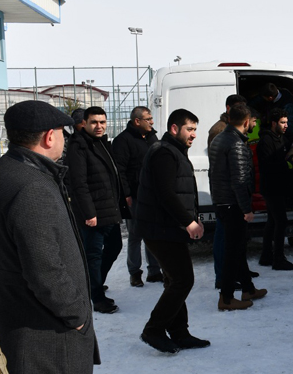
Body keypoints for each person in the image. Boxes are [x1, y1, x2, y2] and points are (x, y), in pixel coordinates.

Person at [0, 100, 100, 374]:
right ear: (49, 137)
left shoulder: (4, 171)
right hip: (43, 335)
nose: (65, 140)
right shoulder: (32, 186)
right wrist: (77, 315)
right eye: (63, 134)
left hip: (19, 319)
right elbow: (45, 271)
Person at [136, 109, 211, 353]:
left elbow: (181, 192)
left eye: (195, 130)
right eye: (189, 129)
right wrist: (188, 222)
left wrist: (192, 218)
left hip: (167, 227)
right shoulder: (164, 153)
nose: (194, 135)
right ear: (174, 129)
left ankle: (179, 332)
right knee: (182, 279)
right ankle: (153, 329)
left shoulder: (174, 152)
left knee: (175, 280)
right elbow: (165, 193)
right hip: (160, 228)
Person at [65, 106, 124, 314]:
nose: (99, 126)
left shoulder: (102, 143)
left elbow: (113, 175)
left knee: (115, 246)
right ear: (85, 124)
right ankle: (96, 297)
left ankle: (94, 283)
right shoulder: (78, 147)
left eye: (102, 122)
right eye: (94, 122)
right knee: (93, 254)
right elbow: (79, 184)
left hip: (110, 209)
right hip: (94, 214)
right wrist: (89, 213)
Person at [209, 103, 267, 310]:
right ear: (245, 121)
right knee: (232, 251)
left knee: (237, 247)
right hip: (233, 205)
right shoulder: (236, 144)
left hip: (222, 202)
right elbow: (239, 181)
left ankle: (248, 288)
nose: (253, 125)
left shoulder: (219, 139)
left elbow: (214, 175)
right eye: (252, 121)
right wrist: (246, 209)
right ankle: (226, 298)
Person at [113, 106, 163, 288]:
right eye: (148, 118)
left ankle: (155, 271)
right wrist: (126, 194)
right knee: (135, 235)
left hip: (153, 196)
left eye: (151, 118)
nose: (152, 121)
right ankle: (135, 273)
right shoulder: (122, 141)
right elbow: (120, 171)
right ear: (137, 121)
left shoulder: (152, 138)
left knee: (153, 233)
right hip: (134, 196)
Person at [257, 107, 293, 271]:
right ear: (274, 123)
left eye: (287, 122)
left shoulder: (280, 138)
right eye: (282, 122)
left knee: (273, 221)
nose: (286, 125)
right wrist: (287, 166)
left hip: (277, 186)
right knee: (281, 221)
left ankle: (266, 256)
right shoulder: (266, 141)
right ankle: (278, 259)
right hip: (271, 187)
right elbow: (268, 165)